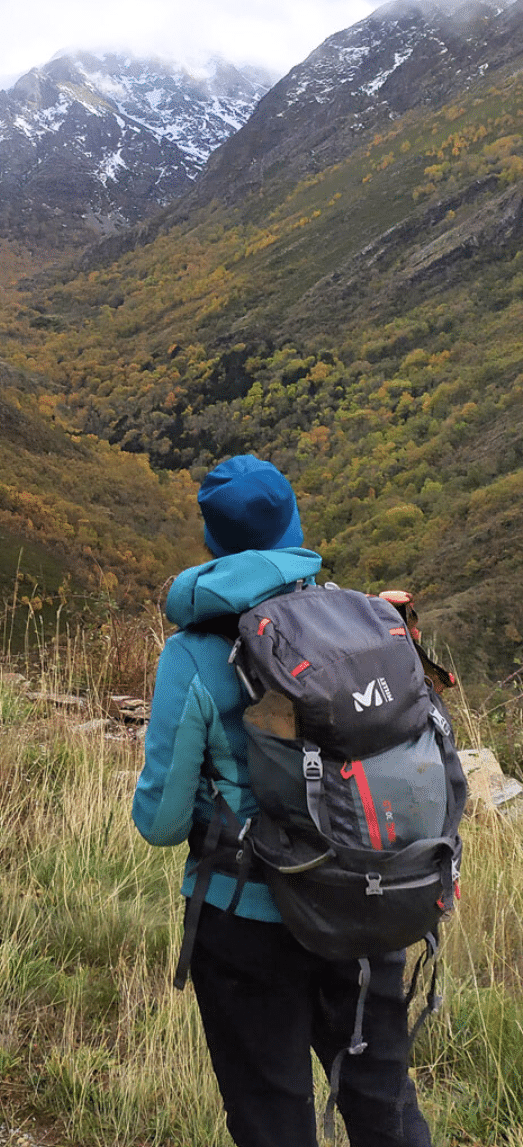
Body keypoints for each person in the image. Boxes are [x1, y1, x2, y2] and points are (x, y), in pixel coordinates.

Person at [132, 455, 432, 1147]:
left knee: (272, 1119)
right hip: (365, 901)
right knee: (384, 1108)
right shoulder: (356, 623)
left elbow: (162, 822)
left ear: (212, 543)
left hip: (245, 923)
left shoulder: (195, 653)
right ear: (294, 529)